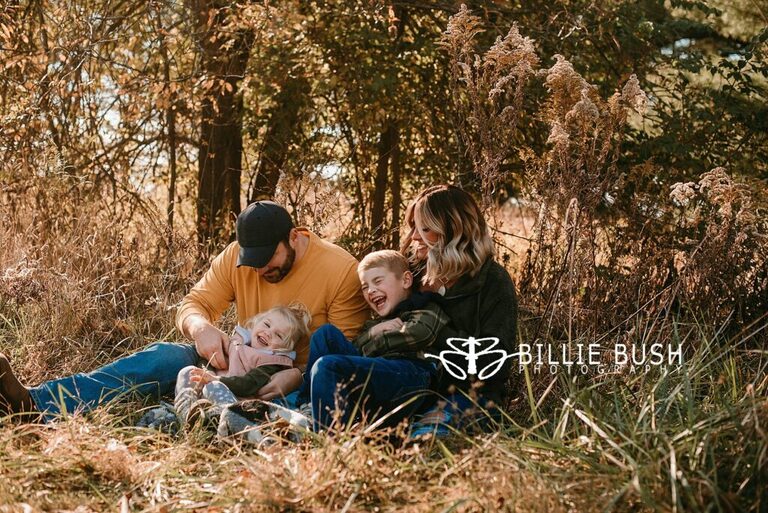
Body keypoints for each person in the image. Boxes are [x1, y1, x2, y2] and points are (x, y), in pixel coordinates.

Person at [0, 201, 369, 421]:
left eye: (268, 259)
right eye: (252, 261)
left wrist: (297, 377)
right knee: (164, 357)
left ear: (294, 237)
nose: (259, 270)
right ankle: (35, 404)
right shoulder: (237, 258)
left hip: (284, 381)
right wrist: (200, 329)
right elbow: (194, 305)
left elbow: (342, 357)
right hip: (228, 361)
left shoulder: (339, 270)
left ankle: (196, 415)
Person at [401, 185, 518, 437]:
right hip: (411, 385)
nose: (414, 237)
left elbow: (494, 363)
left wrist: (434, 327)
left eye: (425, 228)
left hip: (470, 396)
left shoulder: (493, 281)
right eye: (413, 227)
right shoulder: (412, 271)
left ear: (453, 230)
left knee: (422, 438)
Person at [294, 250, 449, 432]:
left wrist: (373, 340)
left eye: (378, 281)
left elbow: (418, 334)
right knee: (325, 334)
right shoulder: (374, 324)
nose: (371, 290)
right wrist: (373, 333)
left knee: (327, 365)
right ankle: (306, 407)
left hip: (413, 375)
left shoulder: (425, 306)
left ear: (406, 280)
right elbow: (357, 346)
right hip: (378, 374)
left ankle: (332, 438)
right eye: (365, 287)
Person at [173, 304, 310, 433]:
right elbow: (208, 358)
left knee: (214, 387)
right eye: (267, 325)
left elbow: (248, 385)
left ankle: (228, 420)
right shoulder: (237, 341)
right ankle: (187, 411)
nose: (268, 333)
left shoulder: (271, 362)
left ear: (285, 349)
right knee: (188, 372)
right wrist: (206, 371)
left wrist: (216, 379)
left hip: (236, 399)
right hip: (209, 385)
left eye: (278, 335)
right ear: (256, 323)